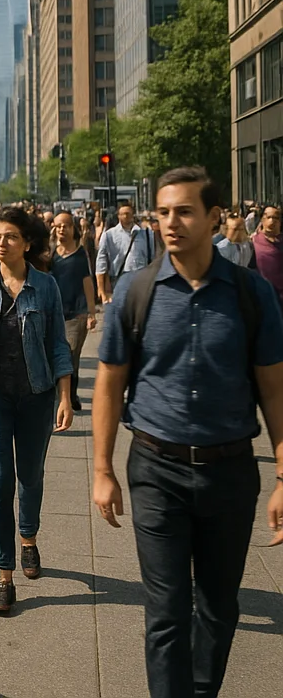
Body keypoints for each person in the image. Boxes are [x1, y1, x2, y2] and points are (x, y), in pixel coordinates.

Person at [94, 167, 283, 698]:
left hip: (230, 472)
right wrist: (103, 469)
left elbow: (274, 390)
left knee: (220, 609)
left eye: (183, 212)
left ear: (214, 217)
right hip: (157, 469)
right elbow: (109, 383)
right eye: (163, 212)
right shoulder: (136, 290)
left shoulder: (251, 294)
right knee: (167, 610)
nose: (170, 223)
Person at [0, 207, 75, 615]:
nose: (1, 243)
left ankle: (28, 538)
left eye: (10, 237)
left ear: (27, 242)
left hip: (36, 396)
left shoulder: (46, 288)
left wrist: (64, 396)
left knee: (31, 476)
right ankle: (3, 577)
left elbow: (59, 344)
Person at [49, 211, 98, 410]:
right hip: (53, 314)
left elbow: (88, 283)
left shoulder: (80, 254)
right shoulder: (51, 253)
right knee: (55, 355)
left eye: (66, 225)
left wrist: (91, 313)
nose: (62, 229)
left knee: (70, 356)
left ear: (73, 228)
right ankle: (62, 394)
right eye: (58, 225)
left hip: (76, 314)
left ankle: (69, 395)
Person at [96, 200, 154, 304]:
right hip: (119, 281)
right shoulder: (109, 235)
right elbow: (101, 264)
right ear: (118, 216)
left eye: (129, 213)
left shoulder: (146, 234)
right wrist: (101, 290)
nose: (127, 216)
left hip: (141, 280)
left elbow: (153, 259)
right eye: (124, 214)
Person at [250, 204, 283, 306]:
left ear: (280, 222)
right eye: (268, 217)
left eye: (275, 218)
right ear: (262, 220)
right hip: (262, 298)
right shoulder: (252, 242)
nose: (272, 221)